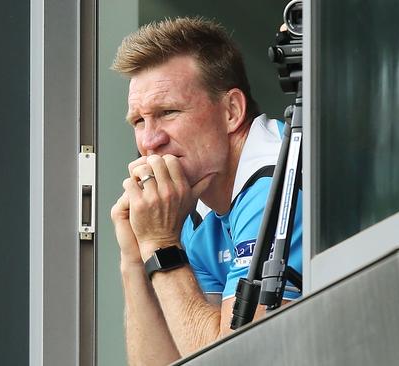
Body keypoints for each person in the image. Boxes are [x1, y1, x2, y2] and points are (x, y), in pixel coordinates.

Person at [109, 16, 302, 365]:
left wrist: (162, 245)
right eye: (139, 121)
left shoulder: (277, 178)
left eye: (167, 112)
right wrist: (135, 259)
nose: (150, 141)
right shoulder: (189, 201)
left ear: (231, 111)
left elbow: (237, 359)